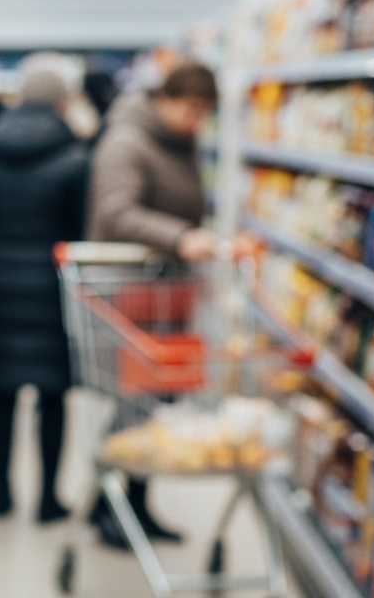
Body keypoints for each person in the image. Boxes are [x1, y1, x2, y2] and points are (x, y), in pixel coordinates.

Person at [85, 61, 220, 548]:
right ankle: (107, 505)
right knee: (132, 401)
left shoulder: (181, 143)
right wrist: (180, 238)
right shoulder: (126, 141)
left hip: (162, 292)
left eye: (204, 111)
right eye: (189, 108)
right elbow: (115, 212)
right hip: (128, 294)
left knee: (154, 402)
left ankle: (137, 504)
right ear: (163, 98)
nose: (195, 119)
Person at [0, 66, 89, 523]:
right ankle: (48, 498)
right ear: (61, 104)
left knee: (0, 394)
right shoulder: (76, 158)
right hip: (52, 291)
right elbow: (80, 231)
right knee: (52, 397)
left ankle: (1, 493)